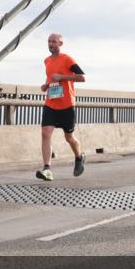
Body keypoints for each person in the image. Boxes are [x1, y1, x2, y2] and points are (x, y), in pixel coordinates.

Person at [37, 33, 86, 180]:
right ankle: (47, 169)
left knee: (69, 137)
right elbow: (51, 78)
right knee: (45, 133)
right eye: (49, 41)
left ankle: (79, 157)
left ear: (60, 44)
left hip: (66, 104)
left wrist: (62, 77)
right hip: (51, 103)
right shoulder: (46, 61)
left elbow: (81, 77)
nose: (51, 44)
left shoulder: (67, 59)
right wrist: (46, 86)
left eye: (54, 42)